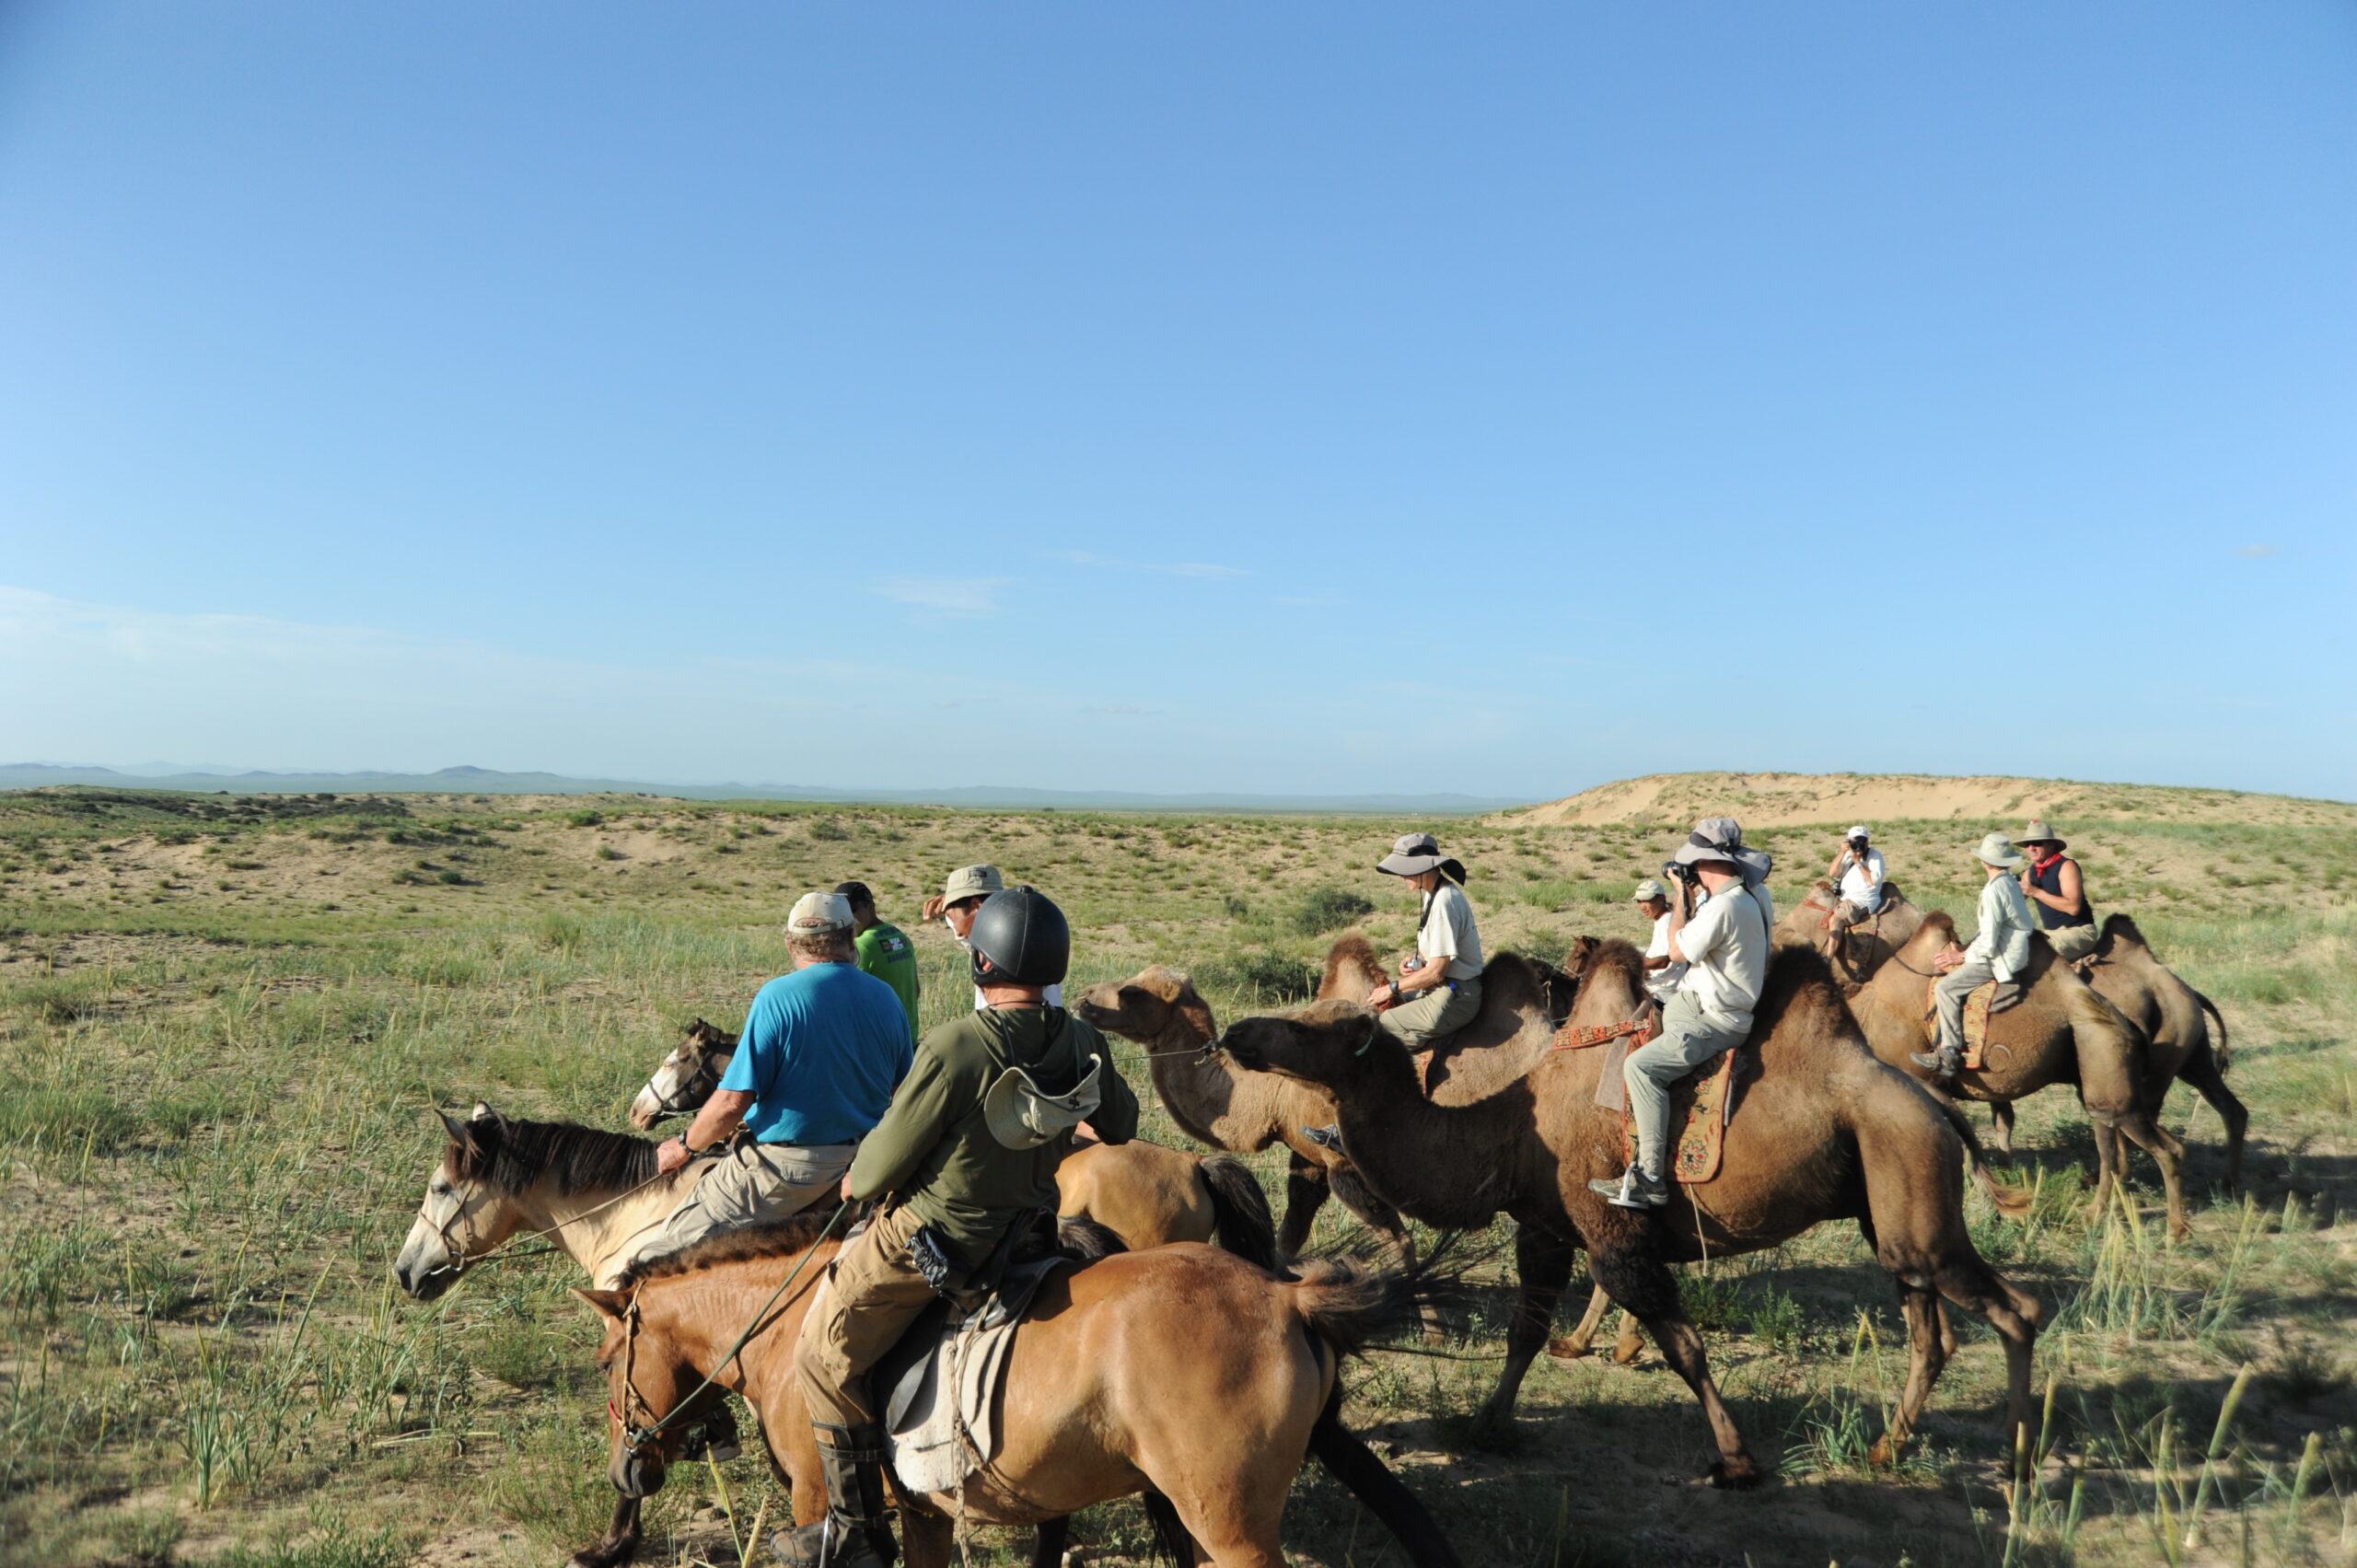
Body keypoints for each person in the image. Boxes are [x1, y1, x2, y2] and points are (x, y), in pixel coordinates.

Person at [784, 887, 1140, 1568]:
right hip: (1032, 1231)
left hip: (932, 1241)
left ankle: (856, 1532)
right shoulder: (1082, 1038)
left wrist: (854, 1180)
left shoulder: (956, 1044)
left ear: (982, 962)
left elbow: (881, 1166)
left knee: (821, 1356)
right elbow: (1120, 1125)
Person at [624, 892, 915, 1272]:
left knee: (660, 1255)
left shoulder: (777, 997)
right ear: (850, 937)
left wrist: (682, 1146)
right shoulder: (886, 998)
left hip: (787, 1169)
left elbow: (732, 1102)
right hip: (864, 1160)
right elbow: (902, 1093)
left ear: (791, 944)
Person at [1592, 819, 1773, 1210]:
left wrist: (1679, 897)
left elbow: (1676, 951)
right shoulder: (1755, 895)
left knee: (1641, 1067)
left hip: (1715, 1018)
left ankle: (1650, 1179)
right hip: (1702, 1001)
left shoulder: (1725, 905)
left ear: (1703, 862)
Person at [1911, 833, 2038, 1081]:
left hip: (2000, 958)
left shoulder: (1994, 890)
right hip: (2015, 950)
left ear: (1984, 861)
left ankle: (1949, 1052)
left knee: (1946, 988)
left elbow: (1989, 941)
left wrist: (1960, 957)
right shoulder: (2010, 882)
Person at [1368, 832, 1485, 1046]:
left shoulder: (1444, 902)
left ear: (1424, 868)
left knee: (1384, 1024)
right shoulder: (1434, 893)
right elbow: (1438, 955)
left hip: (1456, 994)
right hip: (1443, 987)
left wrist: (1391, 988)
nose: (1401, 876)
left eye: (1406, 870)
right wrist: (1419, 961)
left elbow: (1437, 971)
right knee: (1385, 1007)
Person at [923, 864, 1063, 1008]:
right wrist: (952, 904)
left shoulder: (1013, 945)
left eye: (952, 916)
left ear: (977, 905)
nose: (957, 933)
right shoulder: (1023, 932)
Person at [837, 881, 921, 1036]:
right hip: (909, 1033)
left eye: (852, 910)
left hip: (881, 1038)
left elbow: (849, 999)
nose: (847, 919)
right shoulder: (900, 936)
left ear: (870, 907)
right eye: (841, 912)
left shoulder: (862, 945)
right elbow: (916, 990)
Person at [2014, 820, 2098, 963]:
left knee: (2033, 952)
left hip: (2078, 932)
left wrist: (2035, 892)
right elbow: (2014, 902)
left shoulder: (2066, 866)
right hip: (2052, 934)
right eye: (2028, 844)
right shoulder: (2030, 872)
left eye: (2037, 843)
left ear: (2051, 845)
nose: (2032, 848)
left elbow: (2073, 908)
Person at [1823, 826, 1888, 928]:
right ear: (1848, 841)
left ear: (1867, 841)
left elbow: (1874, 881)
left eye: (1862, 840)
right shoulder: (1848, 854)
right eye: (1855, 841)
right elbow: (1832, 873)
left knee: (1835, 921)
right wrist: (1842, 852)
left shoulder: (1875, 856)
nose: (1859, 844)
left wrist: (1857, 861)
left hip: (1862, 901)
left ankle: (1833, 939)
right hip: (1844, 898)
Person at [1633, 878, 1686, 1005]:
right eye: (1639, 901)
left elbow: (1663, 961)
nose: (1642, 906)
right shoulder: (1661, 921)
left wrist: (1632, 965)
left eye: (1647, 900)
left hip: (1662, 993)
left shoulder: (1667, 923)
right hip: (1655, 987)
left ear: (1661, 899)